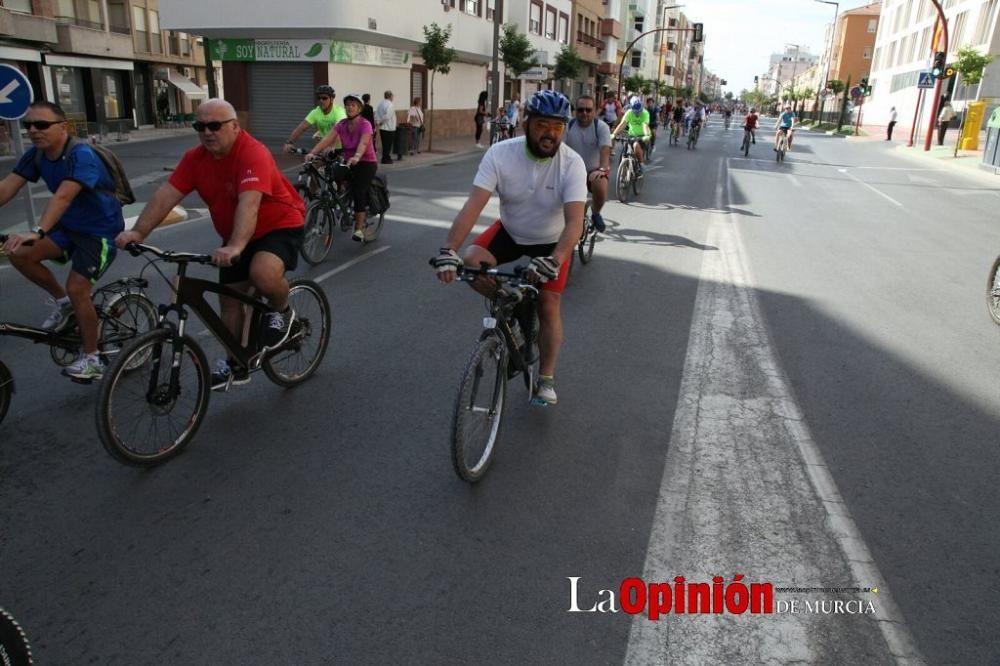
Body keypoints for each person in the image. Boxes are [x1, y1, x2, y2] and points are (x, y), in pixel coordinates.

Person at [115, 99, 305, 389]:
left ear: (234, 127)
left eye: (214, 126)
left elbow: (249, 203)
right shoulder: (195, 159)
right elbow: (167, 194)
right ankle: (235, 363)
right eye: (200, 126)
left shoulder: (253, 153)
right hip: (236, 234)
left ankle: (282, 311)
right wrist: (139, 233)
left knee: (263, 274)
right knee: (229, 297)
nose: (207, 132)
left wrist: (236, 246)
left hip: (278, 224)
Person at [431, 90, 585, 406]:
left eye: (558, 127)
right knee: (471, 262)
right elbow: (474, 205)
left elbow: (574, 223)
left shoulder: (572, 164)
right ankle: (511, 304)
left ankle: (545, 377)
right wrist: (449, 249)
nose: (550, 134)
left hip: (552, 241)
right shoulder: (500, 154)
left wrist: (555, 260)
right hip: (512, 231)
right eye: (543, 125)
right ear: (526, 124)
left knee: (548, 304)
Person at [0, 101, 125, 381]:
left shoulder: (81, 155)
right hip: (67, 227)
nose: (33, 130)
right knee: (19, 253)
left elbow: (64, 196)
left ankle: (92, 358)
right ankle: (64, 303)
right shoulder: (36, 155)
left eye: (41, 124)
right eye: (28, 125)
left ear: (62, 127)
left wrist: (38, 229)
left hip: (98, 231)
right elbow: (7, 188)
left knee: (79, 287)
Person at [309, 93, 378, 243]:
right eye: (348, 105)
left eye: (353, 105)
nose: (350, 107)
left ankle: (359, 229)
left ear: (359, 108)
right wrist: (313, 153)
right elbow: (327, 139)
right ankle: (343, 205)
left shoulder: (365, 124)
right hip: (348, 162)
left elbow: (364, 143)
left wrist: (357, 156)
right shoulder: (341, 124)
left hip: (366, 163)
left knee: (359, 191)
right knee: (333, 178)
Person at [563, 94, 612, 233]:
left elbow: (605, 150)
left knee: (600, 184)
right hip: (571, 172)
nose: (584, 113)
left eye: (588, 110)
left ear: (595, 111)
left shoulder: (601, 127)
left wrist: (602, 169)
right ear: (575, 111)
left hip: (593, 171)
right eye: (581, 110)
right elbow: (559, 148)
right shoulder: (568, 126)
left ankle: (596, 213)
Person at [283, 85, 346, 153]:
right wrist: (289, 142)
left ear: (332, 99)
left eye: (324, 98)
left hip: (341, 148)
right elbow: (301, 128)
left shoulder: (339, 112)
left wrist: (331, 146)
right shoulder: (316, 112)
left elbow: (340, 131)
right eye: (319, 98)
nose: (321, 101)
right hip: (324, 147)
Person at [612, 97, 652, 172]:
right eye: (635, 112)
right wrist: (614, 134)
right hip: (631, 135)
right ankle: (623, 165)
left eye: (639, 111)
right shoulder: (629, 113)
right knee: (626, 145)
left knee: (636, 145)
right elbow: (622, 124)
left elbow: (644, 125)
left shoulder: (645, 113)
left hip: (642, 135)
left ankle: (641, 163)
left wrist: (646, 135)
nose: (637, 113)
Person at [375, 90, 397, 164]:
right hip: (389, 128)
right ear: (390, 96)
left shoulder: (380, 104)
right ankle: (385, 158)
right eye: (392, 96)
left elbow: (376, 114)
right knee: (388, 144)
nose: (393, 97)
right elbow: (388, 116)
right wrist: (381, 122)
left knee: (385, 144)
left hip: (382, 128)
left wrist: (378, 122)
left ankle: (386, 157)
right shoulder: (390, 104)